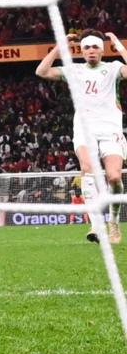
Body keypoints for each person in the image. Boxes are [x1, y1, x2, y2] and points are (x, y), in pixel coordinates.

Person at [35, 30, 127, 244]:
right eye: (86, 47)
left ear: (102, 50)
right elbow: (41, 71)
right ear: (81, 51)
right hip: (85, 128)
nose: (91, 50)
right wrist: (60, 47)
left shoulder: (113, 68)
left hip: (111, 129)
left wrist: (119, 45)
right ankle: (96, 224)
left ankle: (113, 221)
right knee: (87, 168)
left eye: (95, 47)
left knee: (114, 177)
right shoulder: (74, 70)